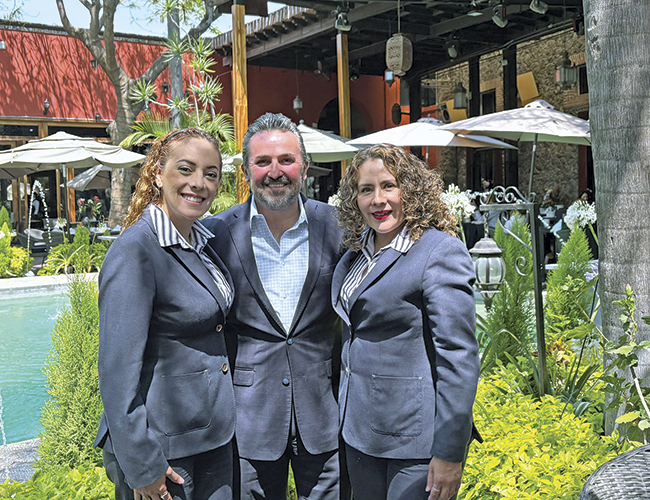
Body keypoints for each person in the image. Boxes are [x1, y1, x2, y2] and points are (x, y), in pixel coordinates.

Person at [205, 113, 345, 500]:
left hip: (324, 413)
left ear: (304, 166)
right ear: (246, 170)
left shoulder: (339, 227)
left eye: (286, 160)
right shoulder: (216, 234)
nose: (275, 172)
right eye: (262, 161)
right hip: (250, 417)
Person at [330, 144, 480, 500]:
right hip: (360, 432)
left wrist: (449, 451)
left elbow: (458, 357)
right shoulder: (355, 253)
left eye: (389, 186)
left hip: (414, 442)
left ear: (410, 190)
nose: (378, 200)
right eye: (366, 190)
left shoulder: (438, 251)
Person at [96, 128, 235, 500]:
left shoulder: (200, 242)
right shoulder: (136, 250)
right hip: (164, 449)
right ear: (158, 173)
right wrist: (142, 464)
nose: (198, 183)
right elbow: (116, 372)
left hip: (209, 437)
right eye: (186, 169)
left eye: (210, 173)